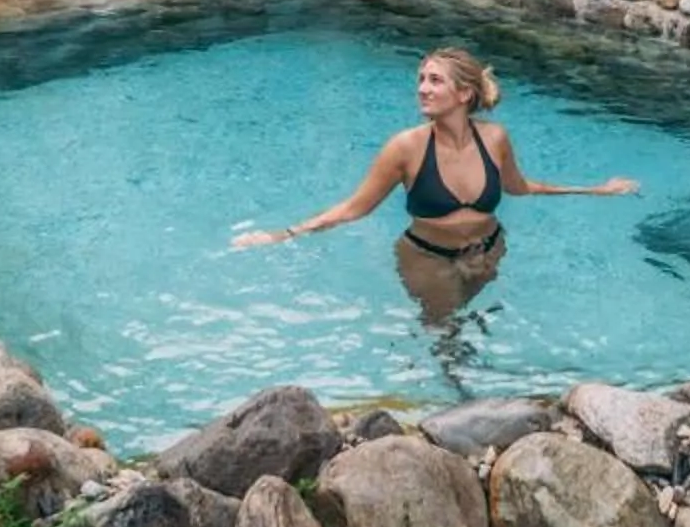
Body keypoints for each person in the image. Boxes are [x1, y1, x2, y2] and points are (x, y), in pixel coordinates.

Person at [233, 45, 637, 320]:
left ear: (464, 94)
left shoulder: (493, 139)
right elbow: (355, 208)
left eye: (435, 80)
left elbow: (521, 186)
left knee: (473, 319)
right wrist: (282, 235)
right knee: (443, 331)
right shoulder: (405, 148)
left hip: (488, 250)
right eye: (421, 79)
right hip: (426, 256)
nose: (423, 88)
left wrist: (596, 190)